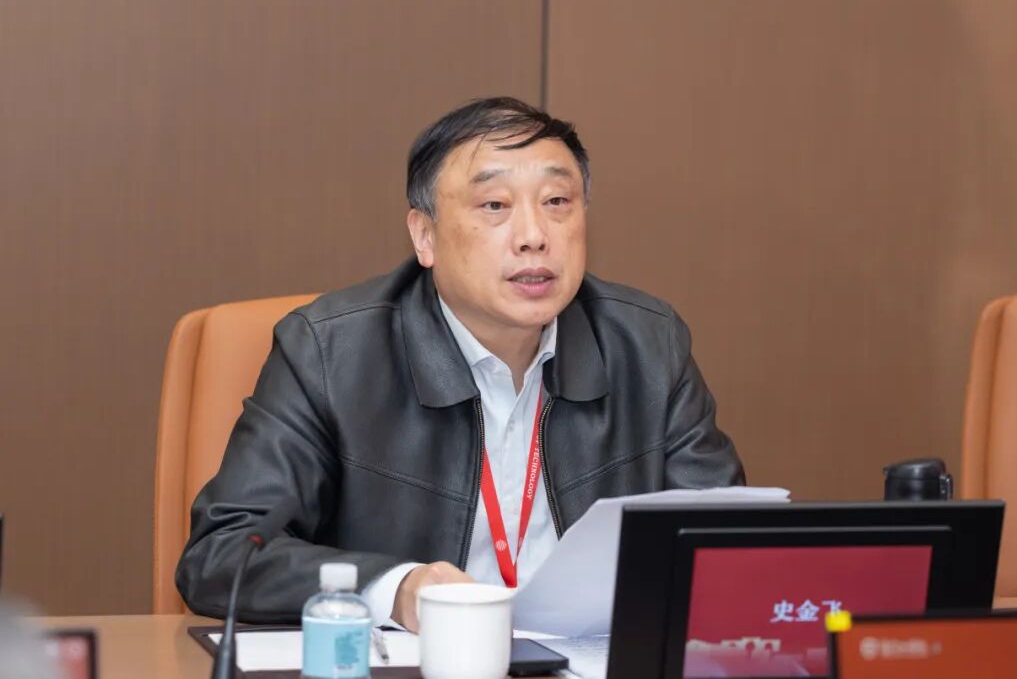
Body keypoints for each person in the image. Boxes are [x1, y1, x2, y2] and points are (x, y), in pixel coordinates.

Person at [176, 97, 745, 631]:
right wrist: (397, 590)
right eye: (495, 205)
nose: (534, 237)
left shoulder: (648, 345)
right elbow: (222, 555)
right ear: (424, 236)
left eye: (556, 202)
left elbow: (729, 549)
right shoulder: (330, 352)